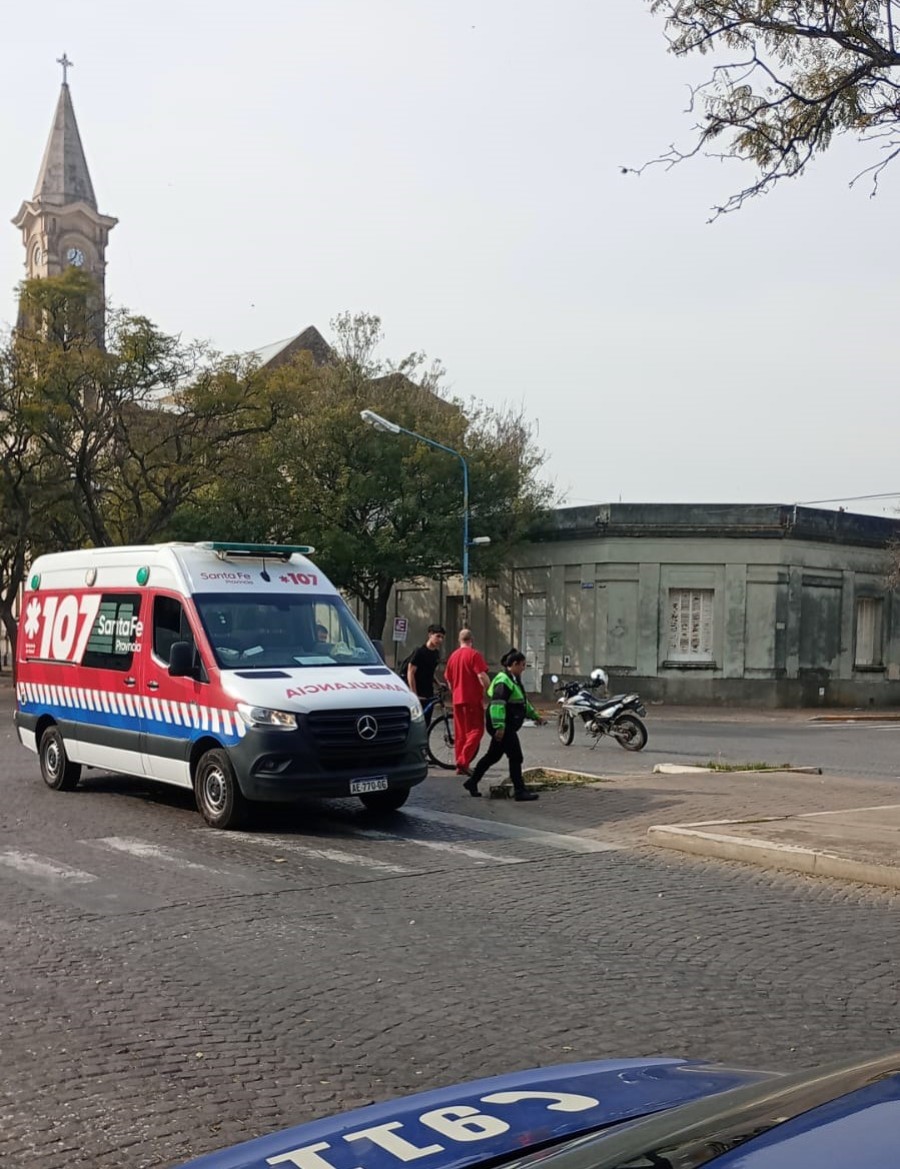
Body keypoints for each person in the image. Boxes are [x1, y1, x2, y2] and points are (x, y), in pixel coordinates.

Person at [463, 649, 542, 802]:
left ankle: (472, 782)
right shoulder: (503, 681)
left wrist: (535, 716)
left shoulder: (514, 679)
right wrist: (499, 726)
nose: (524, 668)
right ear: (513, 665)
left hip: (506, 725)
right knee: (516, 756)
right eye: (522, 665)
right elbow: (498, 704)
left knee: (492, 756)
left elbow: (521, 702)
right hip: (504, 725)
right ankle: (520, 791)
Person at [443, 628, 490, 777]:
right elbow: (482, 676)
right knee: (477, 730)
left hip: (457, 700)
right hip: (472, 699)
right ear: (472, 640)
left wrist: (455, 692)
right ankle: (463, 762)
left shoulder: (453, 656)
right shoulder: (474, 655)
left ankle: (460, 765)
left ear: (459, 640)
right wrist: (490, 690)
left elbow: (449, 679)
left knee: (461, 734)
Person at [406, 624, 445, 725]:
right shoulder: (420, 652)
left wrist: (438, 683)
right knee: (416, 721)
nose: (440, 640)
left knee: (426, 722)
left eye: (442, 637)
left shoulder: (436, 654)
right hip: (418, 691)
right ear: (430, 635)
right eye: (438, 636)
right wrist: (414, 694)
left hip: (428, 692)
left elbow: (430, 672)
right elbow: (411, 672)